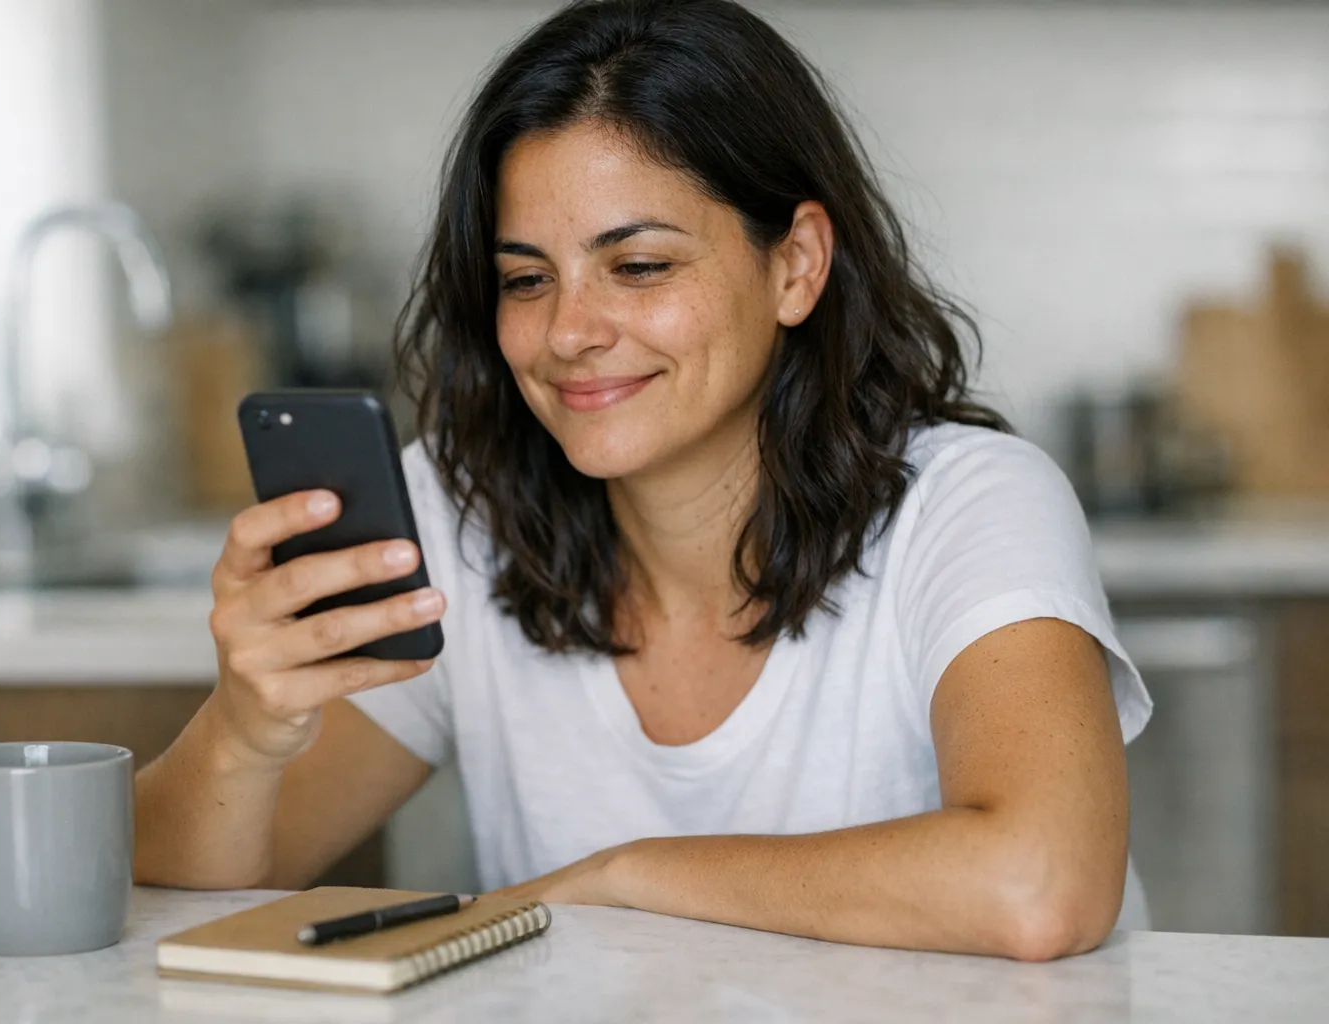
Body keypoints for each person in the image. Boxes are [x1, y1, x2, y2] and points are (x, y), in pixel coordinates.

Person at [134, 0, 1152, 962]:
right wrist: (245, 730)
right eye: (527, 279)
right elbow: (184, 881)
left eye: (640, 266)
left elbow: (1040, 885)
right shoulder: (458, 516)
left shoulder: (970, 502)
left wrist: (624, 877)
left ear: (797, 265)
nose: (569, 332)